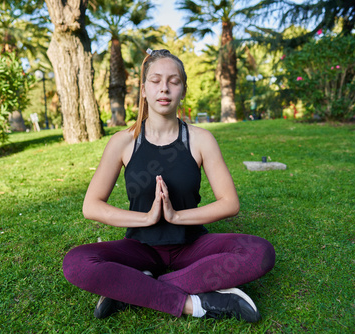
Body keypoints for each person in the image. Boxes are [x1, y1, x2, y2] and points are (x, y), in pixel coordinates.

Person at [63, 49, 275, 322]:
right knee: (77, 263)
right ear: (143, 90)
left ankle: (133, 286)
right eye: (156, 80)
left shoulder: (201, 140)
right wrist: (148, 217)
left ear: (183, 90)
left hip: (192, 246)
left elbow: (229, 203)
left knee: (259, 252)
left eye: (173, 81)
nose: (164, 88)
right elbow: (91, 206)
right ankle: (195, 304)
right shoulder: (123, 142)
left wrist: (176, 216)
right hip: (140, 248)